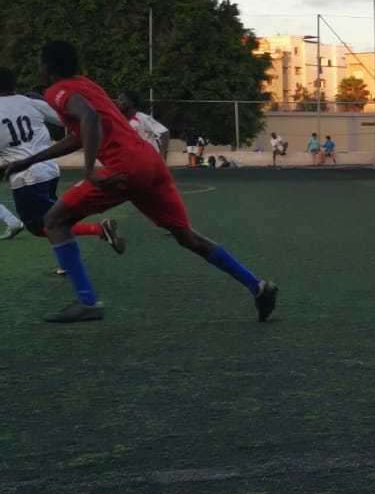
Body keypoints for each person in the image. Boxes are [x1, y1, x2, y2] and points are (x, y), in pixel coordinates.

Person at [0, 41, 278, 324]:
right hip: (150, 163)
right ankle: (257, 286)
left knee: (53, 221)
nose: (37, 66)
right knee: (186, 236)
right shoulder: (87, 85)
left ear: (48, 66)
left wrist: (89, 170)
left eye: (39, 61)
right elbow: (82, 133)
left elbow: (90, 119)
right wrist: (29, 160)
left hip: (125, 168)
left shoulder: (57, 91)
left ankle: (87, 301)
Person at [0, 65, 124, 259]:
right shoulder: (30, 102)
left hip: (27, 177)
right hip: (50, 170)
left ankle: (99, 229)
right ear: (15, 84)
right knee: (54, 220)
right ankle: (67, 262)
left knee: (41, 226)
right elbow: (66, 119)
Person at [116, 91, 169, 159]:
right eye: (117, 99)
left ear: (132, 103)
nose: (117, 102)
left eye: (121, 99)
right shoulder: (119, 121)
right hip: (133, 160)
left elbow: (164, 132)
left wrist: (161, 156)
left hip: (149, 159)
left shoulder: (143, 118)